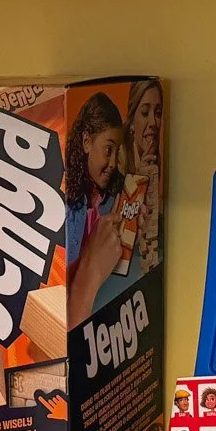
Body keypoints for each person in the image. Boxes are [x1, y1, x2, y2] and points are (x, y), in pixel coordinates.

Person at [63, 92, 130, 318]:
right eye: (108, 149)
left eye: (117, 152)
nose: (112, 163)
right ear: (86, 142)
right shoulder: (64, 203)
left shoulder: (114, 199)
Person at [127, 79, 165, 274]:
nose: (153, 123)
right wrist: (139, 182)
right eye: (144, 113)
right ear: (132, 121)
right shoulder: (116, 168)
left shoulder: (157, 164)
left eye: (158, 113)